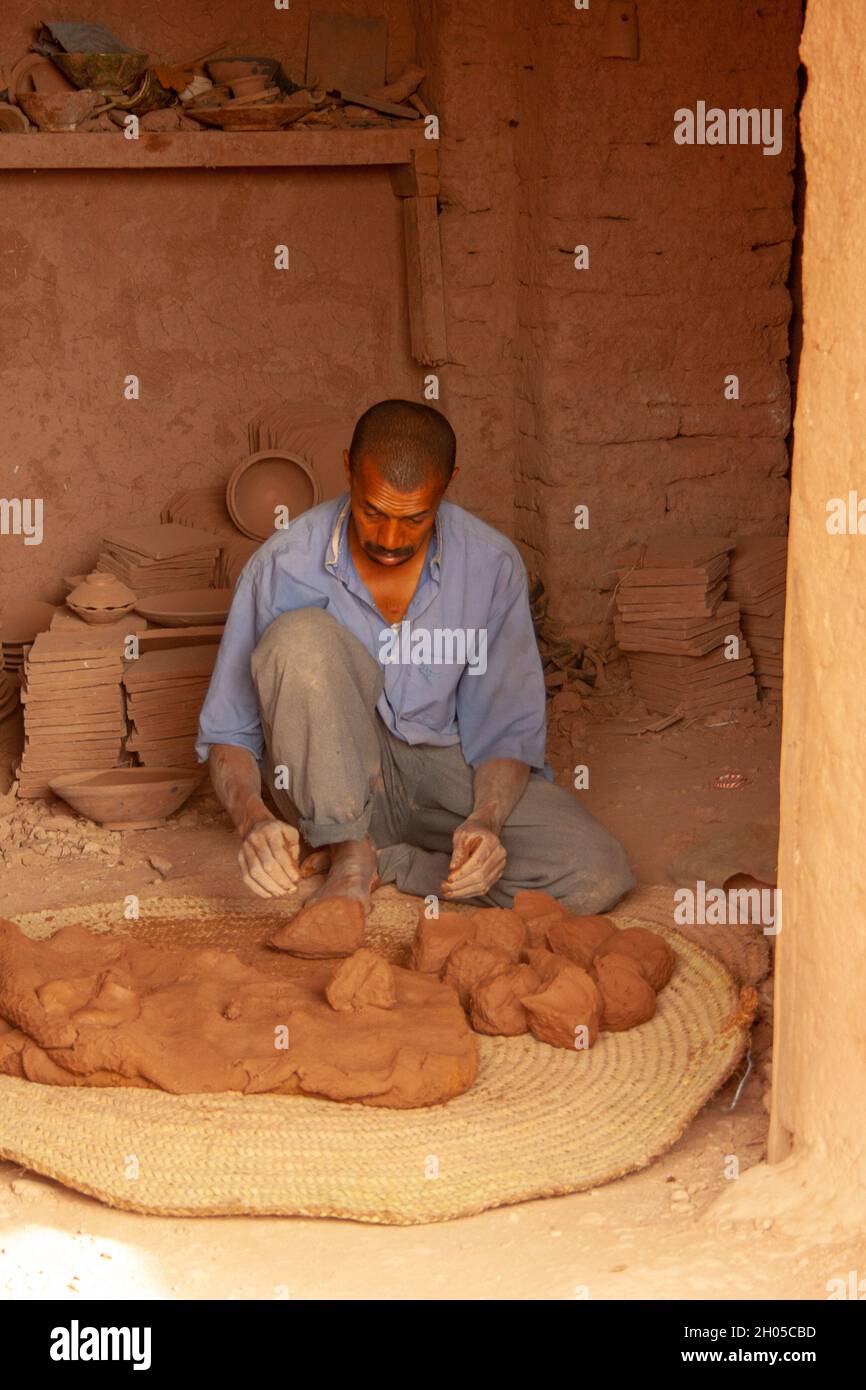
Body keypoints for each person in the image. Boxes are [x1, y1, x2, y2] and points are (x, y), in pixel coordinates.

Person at [197, 399, 634, 934]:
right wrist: (252, 820)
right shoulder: (282, 564)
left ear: (449, 485)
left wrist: (486, 821)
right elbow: (230, 732)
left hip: (440, 772)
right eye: (373, 511)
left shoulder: (490, 565)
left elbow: (504, 732)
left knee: (596, 871)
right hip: (328, 784)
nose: (389, 540)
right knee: (301, 639)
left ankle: (395, 863)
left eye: (415, 519)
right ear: (347, 470)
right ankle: (351, 854)